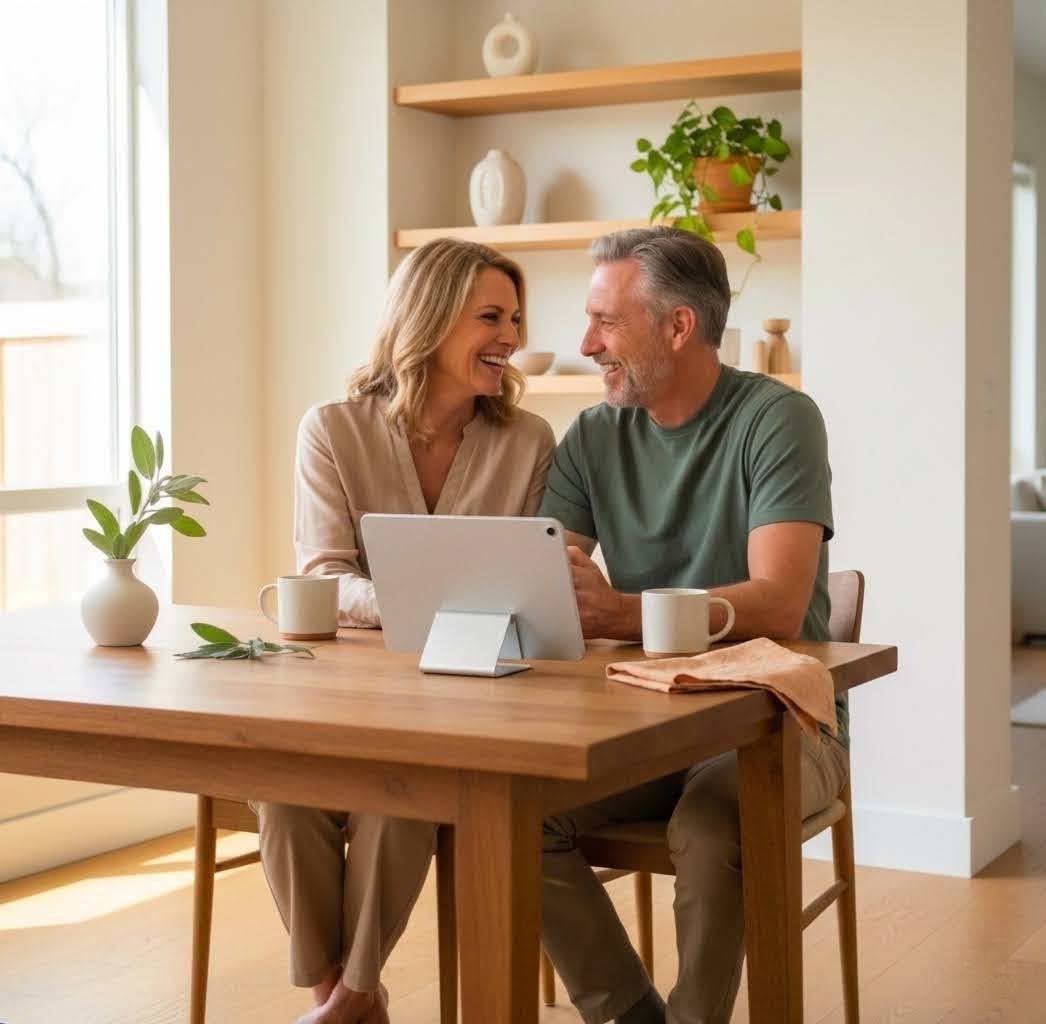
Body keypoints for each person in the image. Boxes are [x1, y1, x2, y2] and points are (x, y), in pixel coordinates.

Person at [537, 226, 849, 1024]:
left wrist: (619, 611)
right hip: (645, 720)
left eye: (608, 321)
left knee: (711, 831)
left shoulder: (779, 418)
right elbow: (548, 578)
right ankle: (628, 1015)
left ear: (678, 327)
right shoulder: (592, 436)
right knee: (516, 815)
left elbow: (779, 602)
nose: (586, 343)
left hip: (779, 723)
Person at [256, 237, 555, 1024]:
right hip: (347, 694)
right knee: (280, 792)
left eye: (515, 318)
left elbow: (528, 587)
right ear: (428, 319)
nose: (511, 336)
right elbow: (323, 574)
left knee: (403, 790)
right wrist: (425, 604)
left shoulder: (527, 442)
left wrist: (421, 605)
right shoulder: (331, 430)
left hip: (468, 696)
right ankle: (344, 998)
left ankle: (351, 999)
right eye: (490, 315)